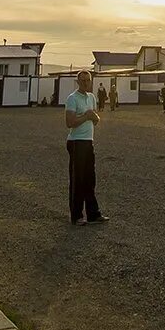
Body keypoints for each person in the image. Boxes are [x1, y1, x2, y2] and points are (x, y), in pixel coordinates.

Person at [64, 70, 106, 225]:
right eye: (82, 81)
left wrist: (94, 117)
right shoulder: (72, 99)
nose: (85, 83)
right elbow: (69, 122)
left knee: (90, 179)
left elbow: (94, 118)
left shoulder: (92, 97)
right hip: (76, 142)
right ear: (77, 82)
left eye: (88, 80)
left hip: (88, 141)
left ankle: (93, 213)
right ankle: (76, 215)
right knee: (77, 180)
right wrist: (86, 116)